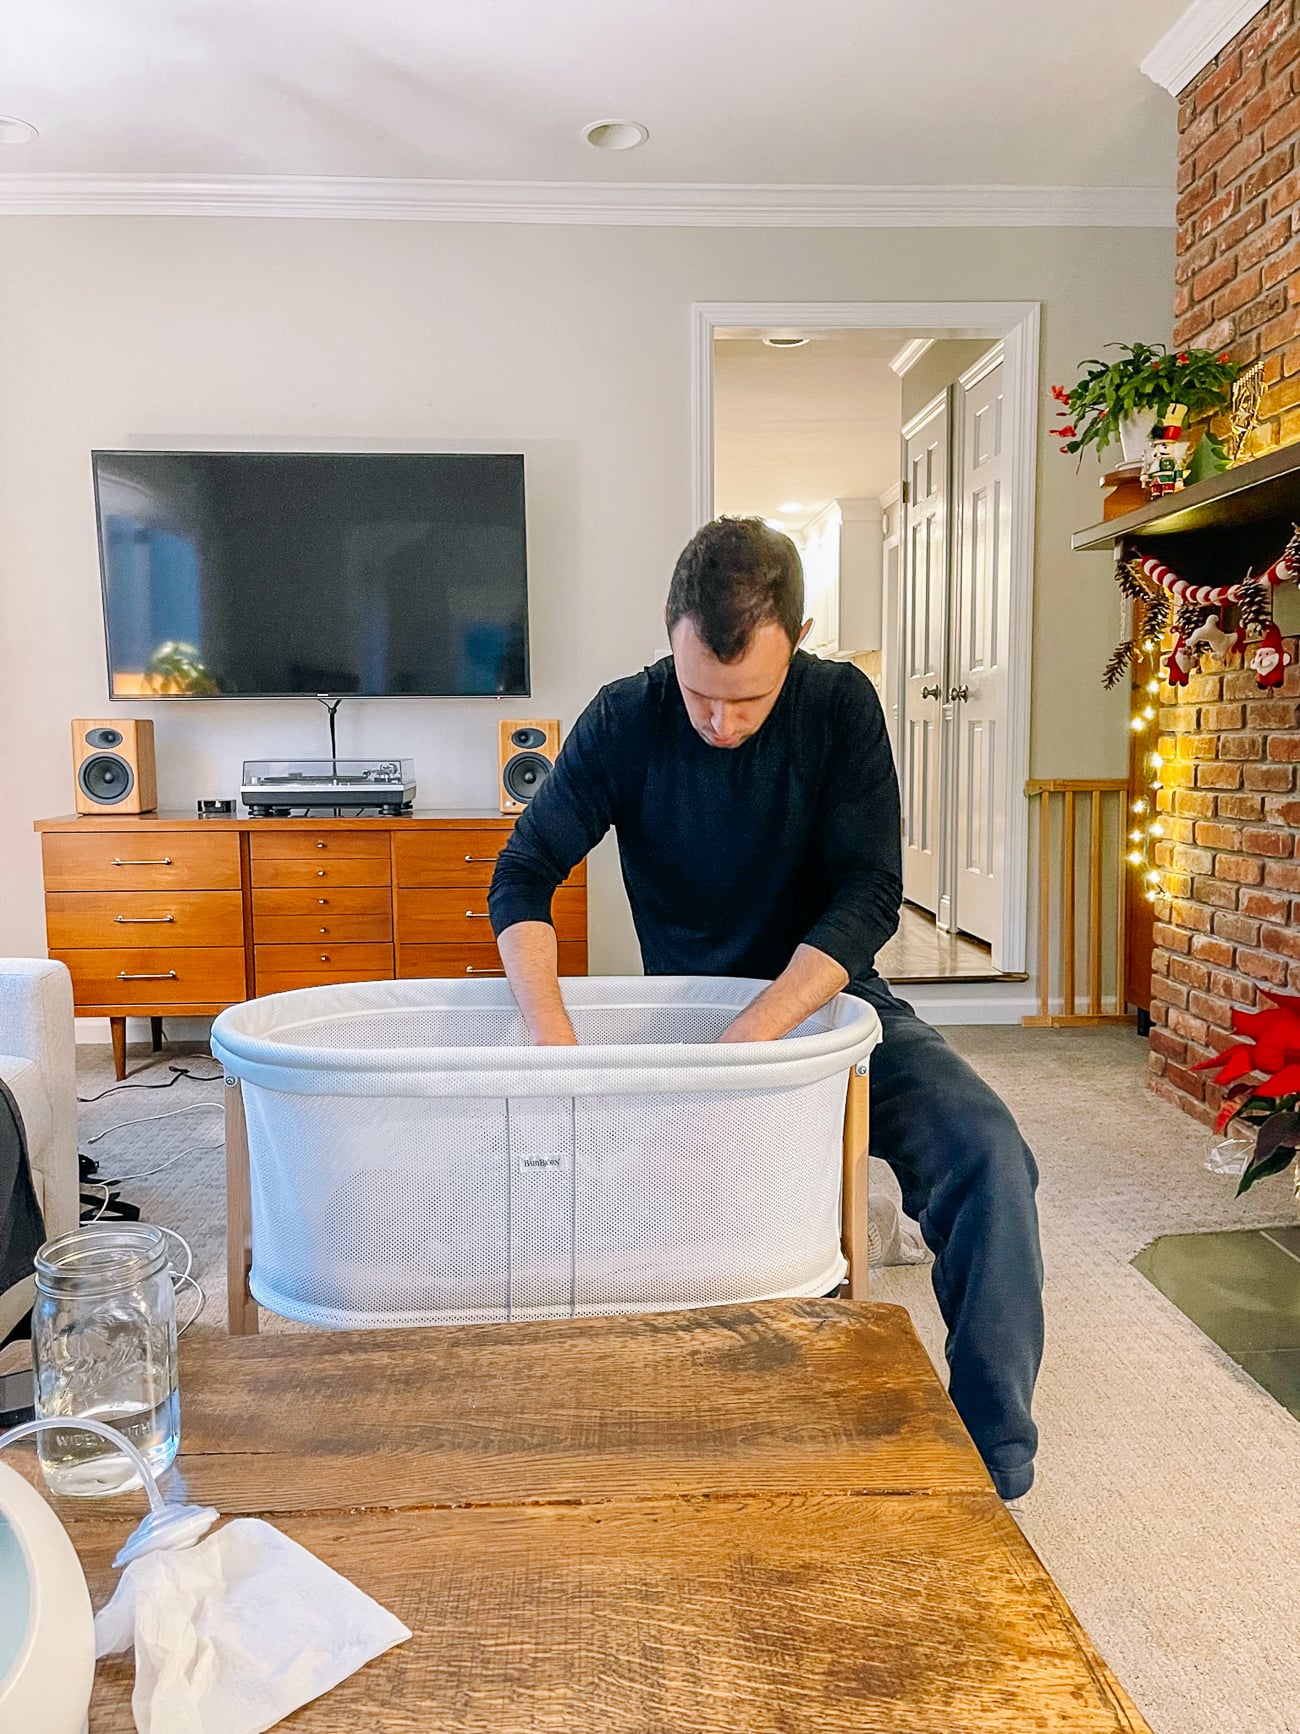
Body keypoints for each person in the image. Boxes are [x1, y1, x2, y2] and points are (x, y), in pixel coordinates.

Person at [488, 516, 1043, 1500]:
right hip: (684, 1022)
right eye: (699, 692)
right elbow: (523, 873)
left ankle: (990, 1466)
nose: (720, 722)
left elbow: (870, 893)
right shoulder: (624, 717)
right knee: (653, 1228)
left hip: (830, 1006)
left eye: (747, 699)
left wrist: (754, 1038)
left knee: (988, 1154)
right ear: (670, 637)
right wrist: (554, 1046)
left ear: (800, 640)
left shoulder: (838, 705)